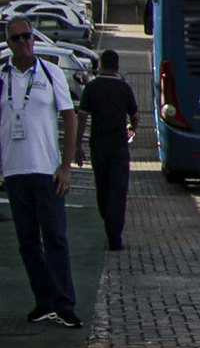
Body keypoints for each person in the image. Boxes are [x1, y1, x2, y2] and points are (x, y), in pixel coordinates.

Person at [1, 19, 81, 328]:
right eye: (17, 38)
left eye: (27, 36)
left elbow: (70, 118)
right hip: (15, 170)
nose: (23, 42)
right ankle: (44, 301)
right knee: (27, 241)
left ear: (34, 38)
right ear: (9, 43)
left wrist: (65, 167)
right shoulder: (3, 76)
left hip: (47, 170)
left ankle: (65, 304)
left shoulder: (51, 73)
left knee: (56, 238)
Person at [77, 48, 138, 252]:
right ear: (118, 66)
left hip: (99, 145)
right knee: (118, 191)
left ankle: (109, 224)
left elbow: (82, 117)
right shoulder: (124, 88)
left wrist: (78, 146)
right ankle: (115, 234)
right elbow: (135, 116)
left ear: (101, 64)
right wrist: (132, 129)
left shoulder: (92, 88)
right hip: (119, 146)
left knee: (103, 188)